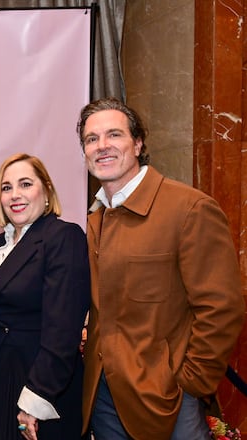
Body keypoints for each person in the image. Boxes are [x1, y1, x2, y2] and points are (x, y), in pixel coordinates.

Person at [77, 97, 245, 439]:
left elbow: (222, 307)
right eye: (91, 139)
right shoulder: (96, 219)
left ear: (137, 143)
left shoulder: (188, 208)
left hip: (168, 398)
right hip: (104, 393)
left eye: (114, 135)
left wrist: (190, 381)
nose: (102, 146)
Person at [0, 153, 90, 440]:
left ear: (47, 190)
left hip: (39, 387)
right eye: (6, 187)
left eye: (25, 184)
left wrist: (35, 401)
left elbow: (63, 330)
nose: (15, 195)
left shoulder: (63, 236)